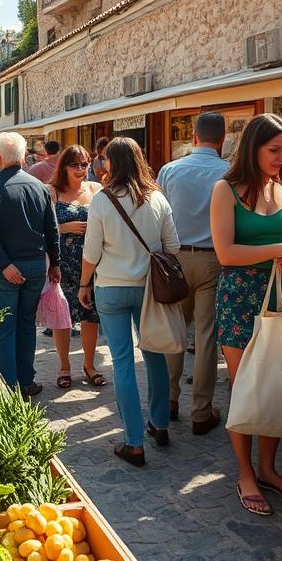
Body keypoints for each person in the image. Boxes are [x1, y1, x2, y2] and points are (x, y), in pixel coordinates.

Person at [209, 113, 282, 516]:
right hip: (239, 298)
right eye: (274, 149)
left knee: (275, 383)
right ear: (253, 148)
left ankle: (268, 469)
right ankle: (244, 473)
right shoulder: (226, 190)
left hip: (278, 294)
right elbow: (226, 254)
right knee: (246, 388)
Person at [78, 137, 180, 466]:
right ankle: (160, 423)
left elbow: (91, 252)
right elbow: (173, 246)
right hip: (149, 288)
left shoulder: (102, 200)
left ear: (113, 164)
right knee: (153, 355)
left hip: (110, 287)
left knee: (122, 362)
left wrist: (83, 284)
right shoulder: (157, 199)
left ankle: (133, 441)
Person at [156, 112, 229, 433]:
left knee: (174, 332)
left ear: (194, 137)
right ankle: (201, 411)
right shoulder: (229, 172)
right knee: (206, 337)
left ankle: (170, 399)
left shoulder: (170, 170)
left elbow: (158, 216)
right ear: (222, 139)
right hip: (214, 259)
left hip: (176, 260)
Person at [0, 132, 61, 396]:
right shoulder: (39, 187)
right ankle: (26, 380)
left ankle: (8, 385)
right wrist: (55, 263)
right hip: (35, 265)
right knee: (26, 324)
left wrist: (4, 264)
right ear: (24, 156)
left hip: (7, 268)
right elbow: (52, 229)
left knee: (4, 327)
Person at [48, 145, 105, 389]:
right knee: (63, 317)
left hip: (91, 262)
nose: (81, 169)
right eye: (75, 164)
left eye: (85, 164)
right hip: (63, 262)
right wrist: (65, 228)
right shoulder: (52, 192)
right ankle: (64, 366)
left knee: (90, 316)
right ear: (64, 166)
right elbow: (43, 229)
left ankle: (89, 365)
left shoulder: (96, 189)